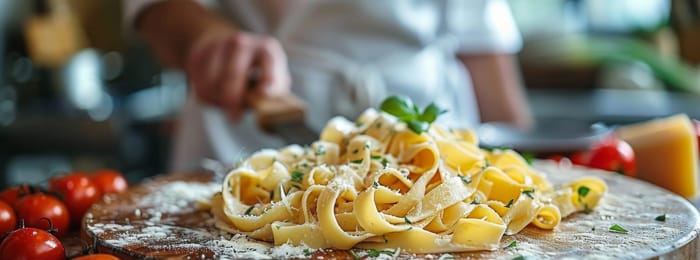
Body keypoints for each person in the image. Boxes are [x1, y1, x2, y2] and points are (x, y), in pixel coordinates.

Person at [124, 0, 532, 171]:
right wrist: (207, 41)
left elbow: (483, 41)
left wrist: (521, 173)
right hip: (246, 133)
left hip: (431, 131)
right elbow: (157, 7)